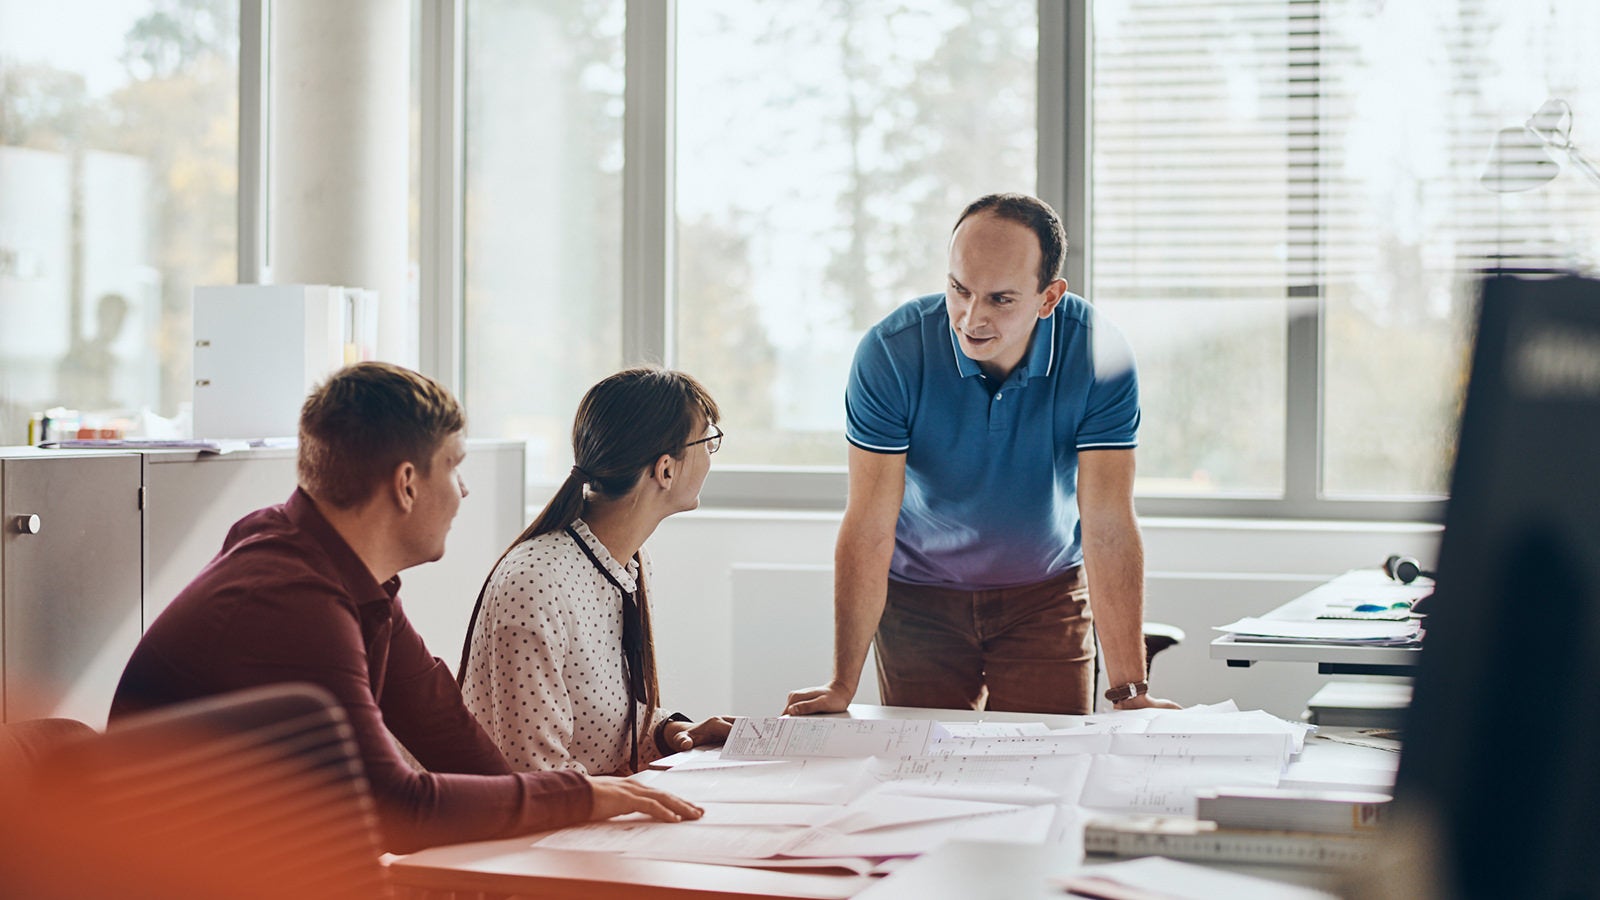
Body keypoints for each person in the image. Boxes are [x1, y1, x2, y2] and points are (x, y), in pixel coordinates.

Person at [110, 362, 702, 853]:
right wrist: (578, 796)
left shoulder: (336, 570)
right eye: (455, 466)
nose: (464, 489)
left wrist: (565, 806)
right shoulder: (293, 601)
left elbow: (446, 729)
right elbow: (395, 808)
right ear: (407, 483)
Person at [785, 193, 1179, 718]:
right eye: (959, 289)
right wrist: (842, 683)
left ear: (1049, 297)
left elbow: (1107, 522)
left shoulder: (1098, 353)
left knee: (1049, 772)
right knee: (920, 773)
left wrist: (1131, 692)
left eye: (1001, 299)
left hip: (1046, 594)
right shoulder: (891, 353)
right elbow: (870, 523)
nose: (972, 318)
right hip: (919, 596)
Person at [459, 367, 733, 776]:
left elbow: (600, 720)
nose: (712, 455)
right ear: (665, 469)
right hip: (529, 829)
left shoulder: (629, 562)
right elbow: (536, 775)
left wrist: (668, 732)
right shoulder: (535, 583)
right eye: (708, 440)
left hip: (586, 813)